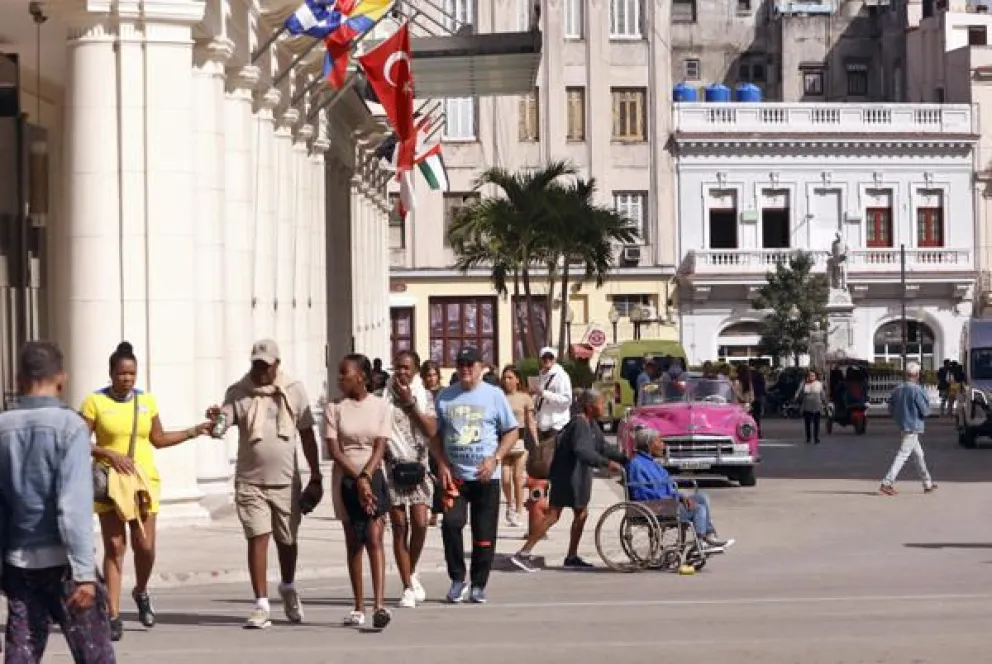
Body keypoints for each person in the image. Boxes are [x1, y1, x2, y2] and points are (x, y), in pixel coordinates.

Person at [81, 341, 212, 641]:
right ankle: (112, 614)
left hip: (143, 484)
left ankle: (140, 591)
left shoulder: (146, 402)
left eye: (132, 374)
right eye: (122, 373)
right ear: (111, 373)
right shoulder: (94, 402)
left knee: (145, 546)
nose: (127, 379)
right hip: (110, 484)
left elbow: (159, 438)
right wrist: (108, 454)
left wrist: (195, 430)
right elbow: (79, 440)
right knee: (115, 548)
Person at [0, 341, 117, 663]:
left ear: (19, 378)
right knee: (94, 655)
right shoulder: (70, 427)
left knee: (21, 653)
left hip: (20, 562)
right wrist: (84, 573)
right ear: (62, 378)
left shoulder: (3, 427)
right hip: (64, 564)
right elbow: (73, 504)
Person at [207, 339, 322, 630]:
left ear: (276, 365)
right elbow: (222, 425)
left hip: (285, 481)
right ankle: (261, 603)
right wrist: (215, 420)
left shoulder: (293, 390)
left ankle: (287, 585)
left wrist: (316, 476)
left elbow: (307, 434)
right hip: (250, 481)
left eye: (265, 366)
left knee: (287, 540)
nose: (260, 371)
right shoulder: (239, 392)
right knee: (258, 537)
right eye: (256, 365)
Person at [433, 347, 518, 604]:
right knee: (451, 525)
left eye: (470, 364)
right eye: (461, 364)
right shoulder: (445, 397)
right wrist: (442, 463)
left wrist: (496, 459)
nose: (465, 369)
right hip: (455, 477)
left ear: (481, 367)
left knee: (484, 534)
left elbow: (512, 431)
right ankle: (458, 579)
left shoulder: (494, 395)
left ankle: (479, 584)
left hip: (485, 477)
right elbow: (434, 435)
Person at [510, 389, 627, 572]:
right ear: (589, 407)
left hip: (576, 476)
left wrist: (624, 458)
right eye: (601, 403)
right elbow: (582, 451)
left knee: (579, 514)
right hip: (569, 476)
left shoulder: (591, 424)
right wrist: (606, 463)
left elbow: (602, 446)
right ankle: (524, 553)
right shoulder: (580, 424)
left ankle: (571, 556)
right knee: (554, 516)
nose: (604, 407)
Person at [325, 354, 393, 629]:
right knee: (354, 540)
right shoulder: (334, 408)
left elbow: (380, 446)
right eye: (339, 374)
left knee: (374, 537)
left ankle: (379, 605)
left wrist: (367, 476)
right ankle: (358, 606)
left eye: (345, 373)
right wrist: (357, 478)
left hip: (373, 474)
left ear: (361, 377)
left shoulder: (380, 406)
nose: (340, 379)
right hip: (345, 479)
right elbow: (334, 449)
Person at [382, 350, 437, 609]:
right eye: (398, 367)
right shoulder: (383, 397)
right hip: (392, 467)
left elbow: (431, 430)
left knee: (420, 522)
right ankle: (406, 585)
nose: (401, 372)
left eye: (406, 368)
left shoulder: (424, 397)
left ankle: (411, 569)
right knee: (399, 526)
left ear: (415, 370)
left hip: (419, 466)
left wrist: (410, 403)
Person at [624, 427, 733, 552]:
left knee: (702, 497)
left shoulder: (654, 463)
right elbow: (641, 494)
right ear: (649, 444)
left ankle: (709, 535)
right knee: (698, 508)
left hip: (666, 502)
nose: (663, 445)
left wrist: (680, 496)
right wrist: (674, 498)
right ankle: (701, 542)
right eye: (659, 442)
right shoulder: (636, 465)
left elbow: (669, 486)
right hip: (655, 507)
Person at [880, 362, 937, 496]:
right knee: (903, 455)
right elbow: (925, 410)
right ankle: (887, 482)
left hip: (903, 425)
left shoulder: (898, 389)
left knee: (919, 455)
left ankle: (927, 483)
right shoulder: (917, 390)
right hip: (913, 426)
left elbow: (890, 408)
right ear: (917, 375)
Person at [500, 366, 538, 527]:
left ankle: (519, 510)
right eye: (505, 377)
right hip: (503, 441)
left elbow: (530, 422)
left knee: (517, 477)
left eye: (510, 377)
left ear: (517, 380)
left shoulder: (525, 398)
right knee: (505, 478)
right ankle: (509, 505)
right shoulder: (499, 397)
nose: (507, 380)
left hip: (520, 441)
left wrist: (536, 443)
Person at [529, 347, 573, 479]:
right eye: (544, 358)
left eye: (550, 357)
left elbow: (567, 400)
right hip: (543, 423)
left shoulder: (561, 376)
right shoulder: (541, 375)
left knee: (552, 460)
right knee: (544, 461)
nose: (547, 360)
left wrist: (544, 393)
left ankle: (556, 487)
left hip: (557, 423)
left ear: (555, 359)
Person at [420, 360, 444, 527]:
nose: (431, 378)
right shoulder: (420, 394)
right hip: (422, 439)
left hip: (439, 437)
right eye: (428, 375)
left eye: (434, 375)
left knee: (438, 474)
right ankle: (426, 507)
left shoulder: (443, 393)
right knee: (425, 475)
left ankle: (437, 510)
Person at [795, 369, 826, 445]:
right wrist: (796, 397)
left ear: (815, 376)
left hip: (817, 405)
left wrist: (824, 402)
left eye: (813, 375)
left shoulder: (819, 384)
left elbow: (822, 394)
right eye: (810, 375)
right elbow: (798, 392)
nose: (811, 377)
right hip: (807, 406)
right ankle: (808, 437)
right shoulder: (804, 384)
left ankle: (816, 438)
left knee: (816, 423)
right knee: (807, 423)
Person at [750, 363, 766, 438]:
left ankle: (750, 431)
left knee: (749, 416)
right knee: (757, 416)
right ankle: (758, 432)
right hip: (758, 396)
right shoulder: (759, 374)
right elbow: (763, 385)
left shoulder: (747, 374)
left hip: (749, 397)